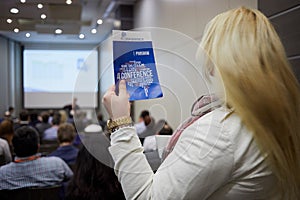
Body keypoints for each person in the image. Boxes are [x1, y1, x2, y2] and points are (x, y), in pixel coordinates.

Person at [102, 7, 300, 199]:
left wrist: (121, 124)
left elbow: (146, 197)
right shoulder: (281, 116)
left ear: (218, 63)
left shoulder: (220, 132)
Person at [0, 126, 73, 190]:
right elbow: (73, 181)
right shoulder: (57, 164)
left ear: (13, 148)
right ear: (38, 147)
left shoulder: (2, 174)